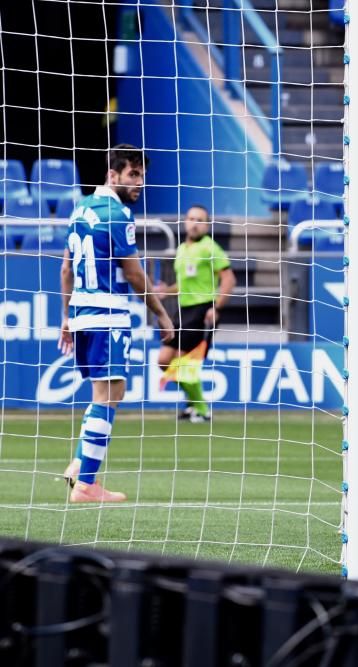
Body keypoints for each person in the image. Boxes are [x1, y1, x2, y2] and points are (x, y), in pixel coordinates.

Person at [60, 144, 175, 503]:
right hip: (107, 313)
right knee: (110, 394)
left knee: (104, 392)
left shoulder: (81, 209)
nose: (139, 182)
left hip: (80, 313)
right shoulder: (118, 214)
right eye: (133, 175)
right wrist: (161, 313)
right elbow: (135, 274)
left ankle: (78, 466)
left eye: (142, 175)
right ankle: (87, 485)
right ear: (113, 175)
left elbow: (65, 269)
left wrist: (65, 318)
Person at [154, 204, 235, 423]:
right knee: (163, 360)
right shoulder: (182, 249)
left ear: (207, 225)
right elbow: (182, 285)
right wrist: (165, 291)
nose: (195, 223)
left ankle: (201, 409)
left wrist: (216, 307)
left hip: (203, 309)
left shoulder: (211, 248)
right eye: (191, 218)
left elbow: (229, 279)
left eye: (200, 220)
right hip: (183, 310)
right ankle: (193, 403)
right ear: (185, 222)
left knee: (183, 363)